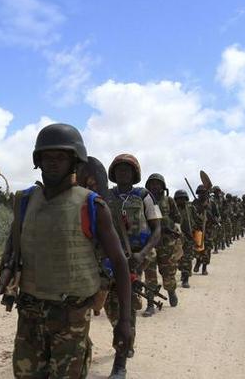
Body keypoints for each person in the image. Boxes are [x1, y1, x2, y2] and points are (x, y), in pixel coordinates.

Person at [6, 124, 131, 379]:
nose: (52, 163)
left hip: (71, 315)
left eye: (60, 157)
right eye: (47, 157)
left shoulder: (93, 204)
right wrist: (6, 277)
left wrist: (125, 323)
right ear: (37, 161)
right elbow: (12, 249)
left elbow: (119, 262)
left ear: (74, 161)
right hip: (29, 313)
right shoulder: (25, 201)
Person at [102, 154, 162, 379]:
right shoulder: (106, 196)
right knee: (110, 307)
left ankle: (120, 361)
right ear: (113, 173)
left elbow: (156, 230)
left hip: (135, 258)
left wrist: (142, 254)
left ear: (134, 174)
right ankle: (126, 340)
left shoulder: (144, 196)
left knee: (123, 308)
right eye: (119, 169)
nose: (123, 173)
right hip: (109, 257)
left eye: (128, 170)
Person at [141, 173, 182, 313]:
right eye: (152, 184)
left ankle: (171, 291)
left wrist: (172, 227)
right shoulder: (144, 200)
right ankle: (150, 304)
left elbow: (177, 218)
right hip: (150, 243)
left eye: (157, 184)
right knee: (150, 275)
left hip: (166, 243)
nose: (154, 186)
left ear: (162, 186)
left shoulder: (168, 200)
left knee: (168, 273)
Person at [173, 189, 204, 288]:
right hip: (176, 237)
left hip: (189, 237)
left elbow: (197, 219)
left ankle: (185, 279)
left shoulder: (190, 208)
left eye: (183, 199)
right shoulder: (173, 209)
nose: (181, 201)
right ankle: (183, 272)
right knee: (178, 259)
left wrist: (199, 227)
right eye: (179, 199)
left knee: (187, 258)